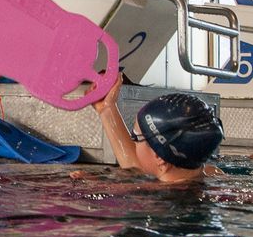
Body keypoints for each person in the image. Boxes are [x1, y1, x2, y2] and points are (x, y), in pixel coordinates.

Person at [88, 73, 224, 183]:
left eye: (135, 137)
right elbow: (146, 164)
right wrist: (107, 109)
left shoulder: (147, 199)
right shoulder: (213, 174)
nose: (133, 142)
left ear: (159, 156)